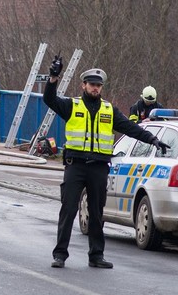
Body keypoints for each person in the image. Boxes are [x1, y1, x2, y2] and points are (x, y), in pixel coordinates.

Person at [44, 55, 169, 269]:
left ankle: (96, 255)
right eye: (92, 85)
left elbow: (131, 128)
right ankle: (60, 255)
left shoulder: (108, 110)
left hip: (99, 168)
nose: (95, 88)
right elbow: (49, 99)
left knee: (96, 212)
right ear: (84, 85)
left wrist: (153, 139)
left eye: (99, 86)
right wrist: (54, 78)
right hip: (76, 166)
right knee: (68, 209)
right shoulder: (72, 106)